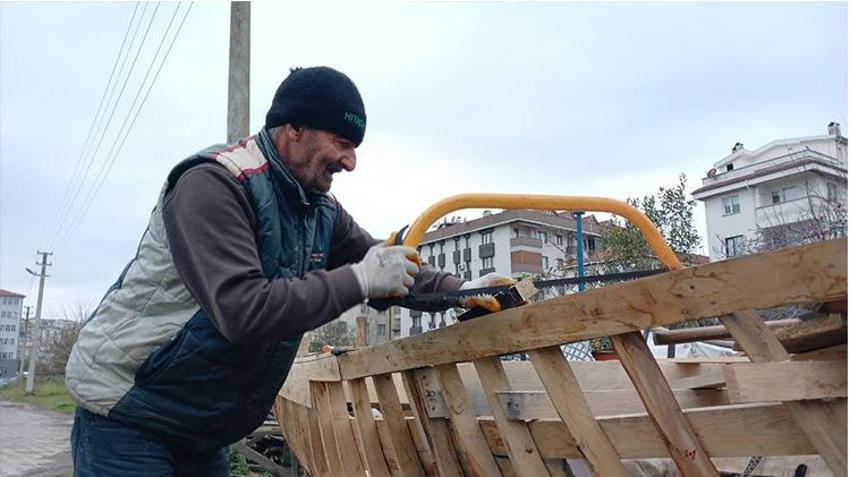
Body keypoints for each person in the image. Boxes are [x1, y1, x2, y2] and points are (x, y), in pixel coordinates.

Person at [65, 66, 512, 476]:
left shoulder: (316, 206)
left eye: (354, 148)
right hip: (128, 412)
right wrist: (359, 280)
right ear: (295, 128)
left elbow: (382, 261)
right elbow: (242, 311)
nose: (350, 162)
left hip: (199, 427)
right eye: (341, 143)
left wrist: (461, 290)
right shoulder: (215, 185)